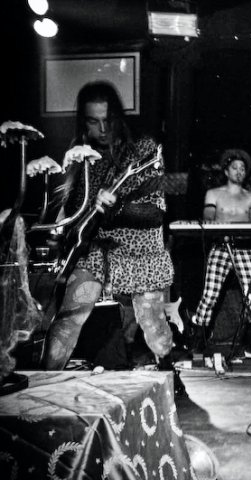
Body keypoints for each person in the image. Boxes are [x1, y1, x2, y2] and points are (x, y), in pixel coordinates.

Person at [40, 81, 184, 395]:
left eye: (108, 119)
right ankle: (43, 384)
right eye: (93, 121)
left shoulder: (144, 150)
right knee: (68, 319)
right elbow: (75, 211)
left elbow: (156, 213)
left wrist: (118, 206)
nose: (103, 129)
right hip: (97, 248)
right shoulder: (82, 155)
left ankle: (170, 376)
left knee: (153, 325)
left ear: (118, 116)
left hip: (141, 250)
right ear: (83, 122)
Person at [190, 149, 251, 350]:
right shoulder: (213, 194)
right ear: (226, 171)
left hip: (244, 248)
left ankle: (250, 337)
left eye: (242, 168)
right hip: (221, 247)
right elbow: (208, 217)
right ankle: (199, 337)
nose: (239, 171)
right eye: (235, 168)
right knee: (210, 294)